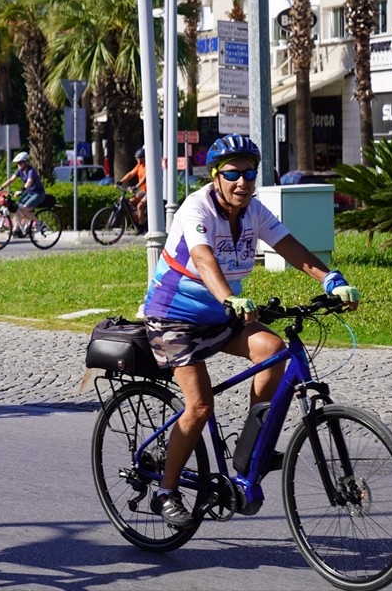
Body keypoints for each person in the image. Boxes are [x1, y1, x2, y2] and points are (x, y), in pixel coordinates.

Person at [142, 134, 361, 528]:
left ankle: (250, 449)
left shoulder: (254, 212)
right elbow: (202, 257)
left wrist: (331, 278)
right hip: (173, 318)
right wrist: (229, 296)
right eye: (232, 174)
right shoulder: (197, 209)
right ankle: (166, 492)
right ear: (215, 177)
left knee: (273, 349)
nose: (242, 182)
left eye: (249, 173)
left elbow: (290, 246)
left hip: (221, 315)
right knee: (200, 405)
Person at [0, 151, 44, 232]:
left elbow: (29, 182)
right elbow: (11, 179)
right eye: (18, 163)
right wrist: (1, 187)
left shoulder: (31, 171)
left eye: (20, 163)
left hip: (38, 194)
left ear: (25, 162)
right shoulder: (20, 170)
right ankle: (17, 228)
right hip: (29, 193)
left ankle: (39, 223)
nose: (19, 165)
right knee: (16, 208)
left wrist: (21, 191)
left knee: (24, 209)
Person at [118, 148, 148, 227]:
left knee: (140, 206)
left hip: (150, 191)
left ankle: (142, 227)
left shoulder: (148, 166)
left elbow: (145, 179)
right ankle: (140, 216)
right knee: (130, 201)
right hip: (143, 190)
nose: (136, 160)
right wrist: (121, 181)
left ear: (143, 158)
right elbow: (131, 174)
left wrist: (135, 187)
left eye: (137, 158)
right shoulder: (139, 166)